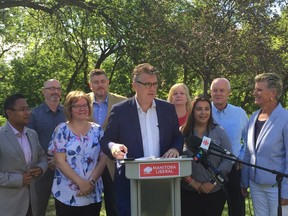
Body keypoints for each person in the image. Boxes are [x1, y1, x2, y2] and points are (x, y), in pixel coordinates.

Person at [100, 63, 183, 216]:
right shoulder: (120, 110)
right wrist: (113, 147)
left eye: (155, 84)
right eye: (147, 84)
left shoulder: (167, 109)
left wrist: (175, 148)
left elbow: (178, 137)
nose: (152, 88)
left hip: (162, 181)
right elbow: (106, 140)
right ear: (135, 86)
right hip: (130, 182)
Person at [48, 90, 107, 216]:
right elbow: (59, 161)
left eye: (85, 105)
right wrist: (81, 184)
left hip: (92, 191)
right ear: (69, 109)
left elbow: (103, 158)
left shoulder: (97, 130)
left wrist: (90, 183)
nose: (82, 109)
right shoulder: (62, 130)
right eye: (77, 106)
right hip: (67, 193)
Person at [241, 73, 288, 216]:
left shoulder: (285, 118)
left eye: (259, 90)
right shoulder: (253, 117)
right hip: (256, 187)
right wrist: (244, 182)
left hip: (277, 188)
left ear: (272, 93)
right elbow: (248, 153)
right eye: (255, 89)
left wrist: (286, 191)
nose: (254, 93)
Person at [181, 95, 233, 216]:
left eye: (207, 109)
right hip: (189, 192)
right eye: (199, 109)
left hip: (214, 192)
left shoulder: (219, 131)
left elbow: (228, 159)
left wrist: (213, 182)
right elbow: (178, 161)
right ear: (192, 111)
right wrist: (192, 182)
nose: (203, 113)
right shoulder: (183, 133)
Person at [0, 94, 48, 216]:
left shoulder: (32, 134)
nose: (28, 112)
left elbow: (42, 156)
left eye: (28, 108)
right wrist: (18, 180)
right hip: (9, 206)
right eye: (22, 109)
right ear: (9, 112)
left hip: (32, 203)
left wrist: (40, 169)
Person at [88, 68, 126, 216]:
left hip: (113, 161)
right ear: (90, 85)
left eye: (103, 81)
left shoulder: (122, 102)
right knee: (90, 205)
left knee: (114, 204)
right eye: (96, 82)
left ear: (108, 82)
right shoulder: (81, 102)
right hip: (88, 162)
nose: (100, 85)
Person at [210, 78, 248, 216]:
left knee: (236, 208)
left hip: (234, 168)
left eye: (222, 90)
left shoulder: (239, 113)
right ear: (210, 92)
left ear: (229, 93)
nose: (218, 93)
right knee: (211, 207)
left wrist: (241, 157)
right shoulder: (203, 110)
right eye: (215, 90)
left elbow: (248, 139)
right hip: (210, 168)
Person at [27, 79, 66, 216]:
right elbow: (30, 142)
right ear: (43, 92)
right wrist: (47, 161)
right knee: (38, 207)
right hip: (42, 168)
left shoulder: (68, 113)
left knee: (65, 207)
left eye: (58, 88)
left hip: (66, 168)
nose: (55, 91)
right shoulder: (33, 114)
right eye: (51, 88)